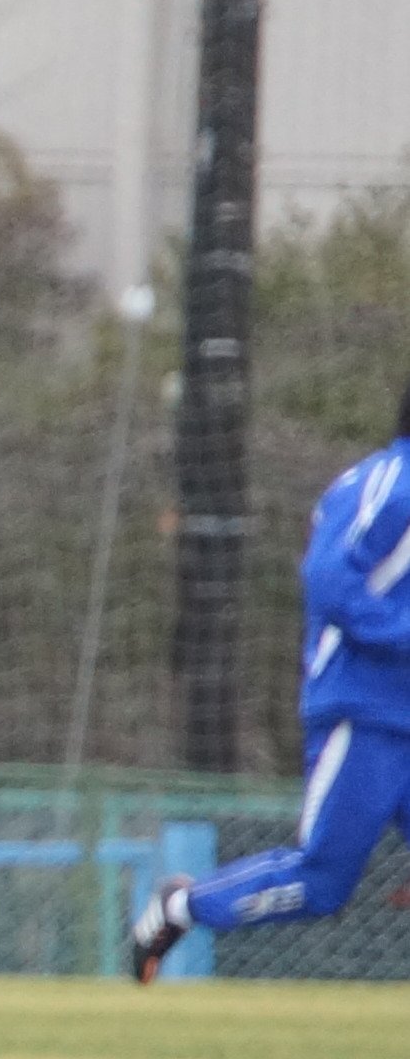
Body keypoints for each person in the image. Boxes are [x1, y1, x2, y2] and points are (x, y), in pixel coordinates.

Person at [128, 394, 410, 979]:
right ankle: (180, 906)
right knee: (322, 881)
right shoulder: (389, 482)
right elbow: (330, 580)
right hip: (365, 712)